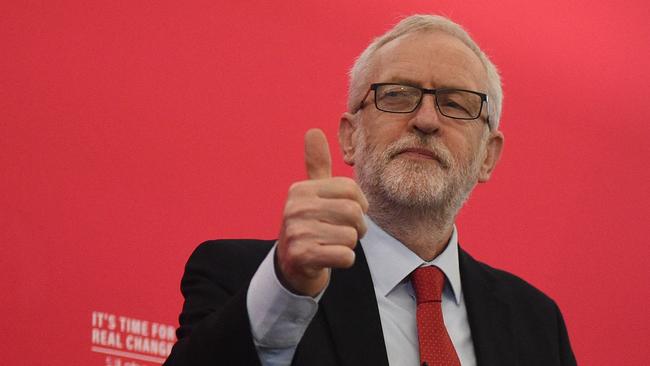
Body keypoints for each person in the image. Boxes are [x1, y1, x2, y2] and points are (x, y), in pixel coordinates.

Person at [164, 14, 576, 366]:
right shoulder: (246, 278)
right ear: (350, 136)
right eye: (397, 95)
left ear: (488, 155)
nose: (426, 119)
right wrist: (286, 288)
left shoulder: (537, 325)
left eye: (456, 104)